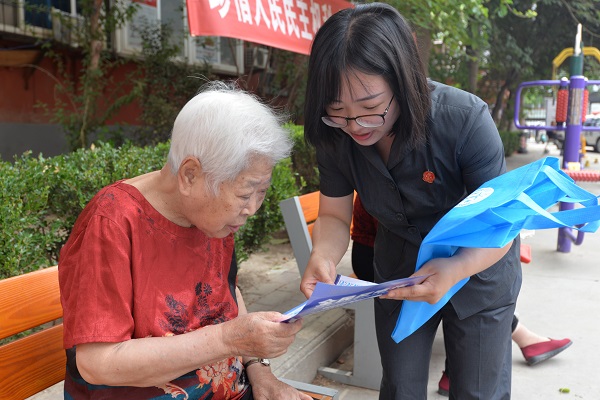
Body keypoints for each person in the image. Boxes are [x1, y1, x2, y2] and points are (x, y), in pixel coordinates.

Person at [301, 3, 523, 398]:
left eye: (370, 109)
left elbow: (501, 223)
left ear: (402, 81)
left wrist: (456, 269)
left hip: (479, 266)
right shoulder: (335, 137)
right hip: (400, 270)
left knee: (478, 392)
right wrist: (323, 255)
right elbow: (334, 215)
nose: (355, 126)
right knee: (400, 387)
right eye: (337, 111)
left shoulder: (465, 120)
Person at [58, 81, 312, 400]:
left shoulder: (212, 219)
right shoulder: (113, 221)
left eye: (261, 192)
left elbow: (226, 292)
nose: (252, 209)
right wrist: (227, 339)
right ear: (190, 175)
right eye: (245, 194)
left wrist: (261, 372)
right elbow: (98, 364)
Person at [350, 195, 573, 397]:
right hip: (396, 261)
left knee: (478, 357)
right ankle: (519, 337)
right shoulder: (379, 178)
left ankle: (471, 360)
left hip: (465, 263)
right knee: (404, 383)